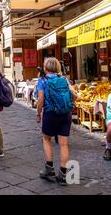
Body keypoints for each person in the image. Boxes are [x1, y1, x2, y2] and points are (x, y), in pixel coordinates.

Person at [36, 57, 76, 186]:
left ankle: (49, 170)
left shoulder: (43, 80)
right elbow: (75, 94)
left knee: (46, 139)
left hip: (51, 113)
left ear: (46, 67)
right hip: (65, 114)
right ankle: (63, 175)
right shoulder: (64, 79)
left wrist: (38, 113)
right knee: (63, 144)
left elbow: (41, 99)